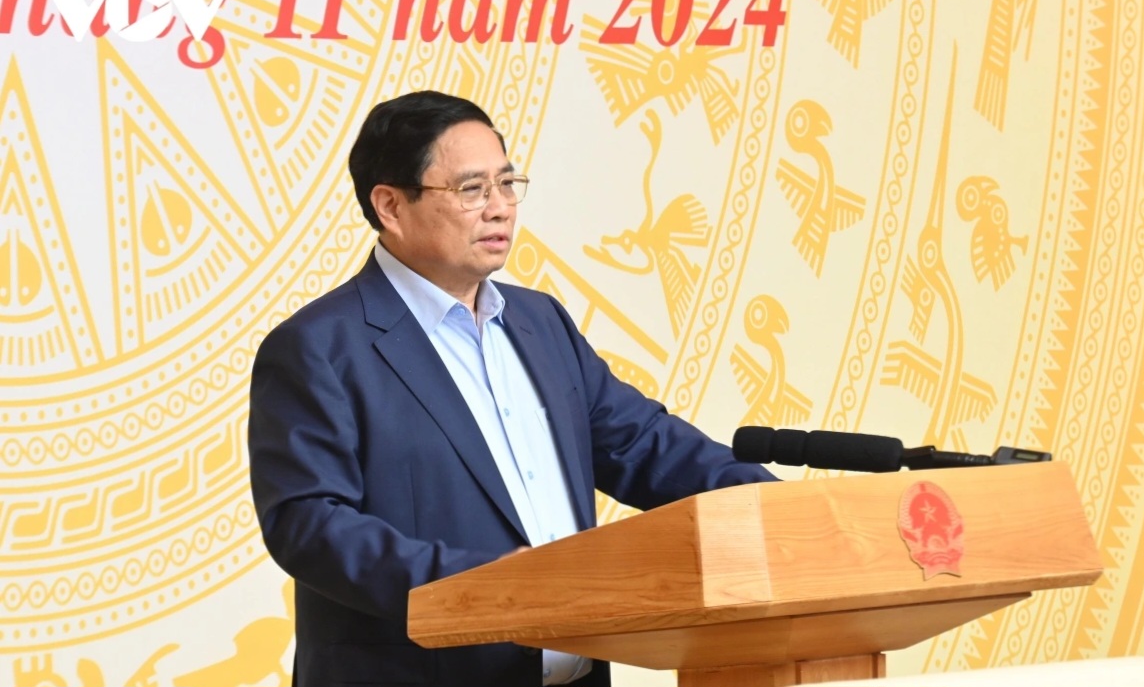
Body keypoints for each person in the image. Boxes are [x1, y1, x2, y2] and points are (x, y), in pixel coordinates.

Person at [247, 90, 777, 687]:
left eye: (506, 184)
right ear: (391, 205)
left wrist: (778, 511)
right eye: (472, 189)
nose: (500, 208)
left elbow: (644, 445)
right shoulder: (319, 347)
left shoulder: (540, 322)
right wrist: (485, 587)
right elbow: (309, 525)